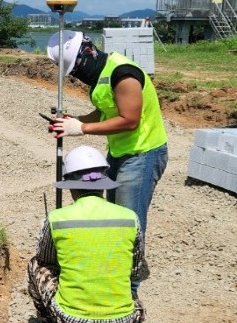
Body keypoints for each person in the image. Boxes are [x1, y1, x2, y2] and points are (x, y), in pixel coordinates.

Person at [46, 31, 168, 298]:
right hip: (120, 152)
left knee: (129, 221)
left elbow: (129, 119)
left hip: (142, 154)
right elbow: (104, 112)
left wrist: (82, 129)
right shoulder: (100, 80)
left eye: (76, 70)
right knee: (113, 216)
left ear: (86, 56)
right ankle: (112, 273)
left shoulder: (122, 74)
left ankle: (128, 292)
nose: (77, 77)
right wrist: (72, 121)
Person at [28, 145, 146, 323]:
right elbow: (135, 270)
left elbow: (45, 260)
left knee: (36, 266)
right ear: (103, 185)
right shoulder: (130, 218)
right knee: (128, 285)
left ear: (71, 187)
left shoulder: (57, 219)